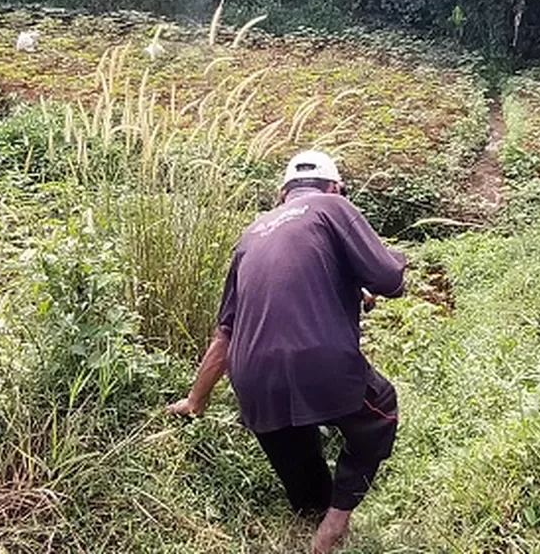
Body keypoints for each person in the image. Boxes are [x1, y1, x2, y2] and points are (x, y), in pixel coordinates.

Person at [167, 150, 407, 554]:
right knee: (379, 411)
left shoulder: (251, 234)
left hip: (252, 379)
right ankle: (333, 528)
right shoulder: (333, 205)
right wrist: (394, 268)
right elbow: (389, 280)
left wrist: (196, 400)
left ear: (283, 195)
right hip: (319, 362)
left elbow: (224, 334)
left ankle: (316, 512)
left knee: (307, 492)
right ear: (335, 187)